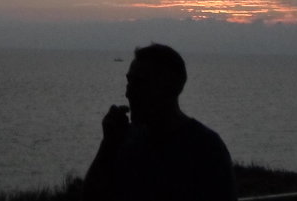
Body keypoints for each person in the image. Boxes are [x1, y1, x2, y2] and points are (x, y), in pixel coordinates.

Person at [83, 43, 237, 201]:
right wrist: (107, 145)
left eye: (140, 84)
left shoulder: (206, 148)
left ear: (169, 88)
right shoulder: (123, 143)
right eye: (129, 82)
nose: (128, 93)